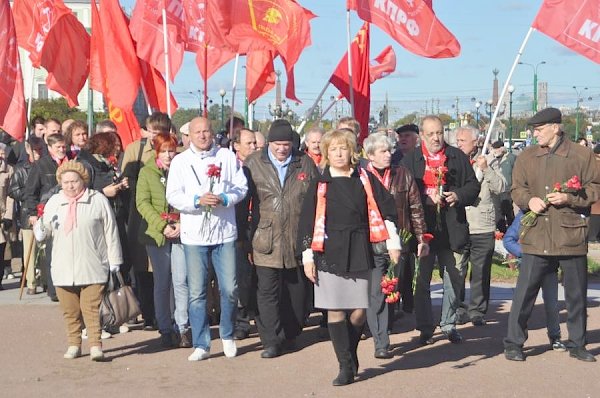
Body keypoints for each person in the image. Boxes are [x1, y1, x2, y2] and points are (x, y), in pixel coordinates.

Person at [297, 128, 399, 386]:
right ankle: (344, 365)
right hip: (328, 250)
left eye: (343, 148)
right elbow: (307, 221)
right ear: (327, 153)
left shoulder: (364, 178)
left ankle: (351, 354)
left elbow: (386, 209)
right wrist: (308, 256)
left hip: (360, 248)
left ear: (352, 151)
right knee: (335, 310)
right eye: (333, 149)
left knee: (358, 312)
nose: (339, 153)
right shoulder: (320, 183)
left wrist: (393, 241)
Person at [504, 107, 600, 362]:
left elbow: (595, 188)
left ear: (555, 128)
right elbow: (516, 189)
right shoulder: (526, 156)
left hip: (570, 234)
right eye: (534, 129)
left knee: (576, 294)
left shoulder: (581, 155)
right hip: (536, 235)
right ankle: (514, 343)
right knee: (524, 293)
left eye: (539, 129)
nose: (535, 134)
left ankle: (578, 344)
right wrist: (529, 200)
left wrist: (569, 197)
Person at [166, 116, 248, 361]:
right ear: (189, 135)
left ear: (213, 133)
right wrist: (195, 201)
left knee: (230, 288)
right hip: (194, 235)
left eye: (206, 131)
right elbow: (173, 195)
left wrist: (223, 199)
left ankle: (227, 334)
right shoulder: (181, 161)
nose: (202, 136)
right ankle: (201, 343)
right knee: (197, 292)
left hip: (224, 233)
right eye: (197, 132)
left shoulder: (226, 156)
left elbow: (241, 187)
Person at [400, 115, 480, 345]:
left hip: (452, 227)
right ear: (422, 136)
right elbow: (404, 192)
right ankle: (425, 326)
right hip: (423, 230)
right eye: (431, 134)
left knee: (454, 279)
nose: (436, 138)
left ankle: (448, 323)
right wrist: (424, 196)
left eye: (439, 132)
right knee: (422, 280)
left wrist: (458, 195)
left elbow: (473, 185)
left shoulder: (457, 156)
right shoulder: (411, 160)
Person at [244, 120, 319, 359]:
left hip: (297, 237)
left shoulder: (304, 162)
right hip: (265, 237)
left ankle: (291, 333)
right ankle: (271, 341)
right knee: (267, 292)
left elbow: (317, 199)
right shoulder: (254, 163)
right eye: (277, 144)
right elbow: (242, 202)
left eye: (286, 144)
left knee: (297, 293)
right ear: (269, 143)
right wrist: (244, 240)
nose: (281, 149)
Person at [33, 161, 122, 361]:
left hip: (92, 264)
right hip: (63, 267)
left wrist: (115, 259)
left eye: (74, 181)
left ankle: (95, 345)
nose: (70, 186)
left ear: (83, 181)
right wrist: (39, 230)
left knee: (90, 308)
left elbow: (111, 230)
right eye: (66, 182)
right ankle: (74, 344)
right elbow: (45, 228)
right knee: (70, 310)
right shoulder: (54, 202)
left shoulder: (97, 200)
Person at [362, 132, 427, 358]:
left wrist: (421, 238)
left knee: (391, 287)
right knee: (377, 292)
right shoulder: (361, 176)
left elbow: (416, 207)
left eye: (389, 150)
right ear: (370, 155)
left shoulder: (402, 174)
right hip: (369, 242)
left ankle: (384, 326)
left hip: (397, 241)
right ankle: (381, 340)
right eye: (383, 151)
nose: (389, 154)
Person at [137, 133, 189, 348]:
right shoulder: (147, 172)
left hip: (180, 232)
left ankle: (183, 326)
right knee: (162, 282)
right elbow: (142, 203)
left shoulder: (183, 169)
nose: (168, 155)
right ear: (156, 152)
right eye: (164, 151)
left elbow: (188, 199)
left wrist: (181, 224)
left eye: (171, 150)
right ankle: (165, 327)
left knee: (181, 280)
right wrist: (162, 225)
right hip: (156, 234)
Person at [122, 112, 172, 330]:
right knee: (143, 266)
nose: (156, 135)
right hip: (141, 214)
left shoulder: (175, 151)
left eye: (161, 132)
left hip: (169, 218)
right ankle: (149, 314)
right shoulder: (136, 149)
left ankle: (168, 317)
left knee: (168, 274)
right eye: (152, 131)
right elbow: (126, 178)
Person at [455, 127, 505, 326]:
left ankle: (477, 310)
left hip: (481, 224)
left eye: (462, 140)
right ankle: (458, 307)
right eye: (457, 140)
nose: (459, 144)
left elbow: (501, 187)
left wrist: (485, 168)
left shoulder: (490, 160)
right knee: (456, 269)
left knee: (480, 270)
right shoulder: (454, 161)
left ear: (475, 142)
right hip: (459, 223)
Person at [503, 211, 566, 352]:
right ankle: (516, 341)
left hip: (550, 268)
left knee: (552, 305)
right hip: (530, 268)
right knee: (523, 305)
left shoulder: (557, 213)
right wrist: (524, 254)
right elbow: (508, 239)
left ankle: (555, 337)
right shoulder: (525, 214)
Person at [23, 133, 68, 301]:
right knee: (51, 252)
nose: (62, 150)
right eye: (58, 147)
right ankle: (53, 289)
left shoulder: (71, 162)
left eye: (64, 147)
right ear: (50, 148)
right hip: (49, 213)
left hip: (68, 212)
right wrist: (32, 213)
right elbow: (31, 191)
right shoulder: (41, 165)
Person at [8, 137, 44, 294]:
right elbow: (12, 190)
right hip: (28, 212)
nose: (38, 153)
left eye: (40, 150)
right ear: (28, 150)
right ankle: (31, 282)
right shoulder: (21, 169)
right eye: (35, 150)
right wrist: (29, 194)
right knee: (30, 248)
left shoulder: (46, 166)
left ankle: (44, 278)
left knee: (43, 250)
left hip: (46, 212)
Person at [231, 128, 257, 340]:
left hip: (258, 227)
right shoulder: (230, 168)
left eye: (255, 143)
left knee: (257, 276)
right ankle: (241, 321)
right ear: (236, 146)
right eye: (249, 143)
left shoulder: (261, 166)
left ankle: (258, 314)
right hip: (237, 229)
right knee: (240, 277)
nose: (254, 147)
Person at [489, 140, 516, 233]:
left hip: (507, 189)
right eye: (494, 149)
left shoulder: (511, 158)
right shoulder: (491, 159)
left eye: (497, 148)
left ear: (502, 148)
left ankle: (512, 230)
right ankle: (502, 231)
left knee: (508, 210)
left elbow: (515, 172)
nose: (496, 151)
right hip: (495, 189)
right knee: (497, 211)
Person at [0, 143, 14, 286]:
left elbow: (10, 196)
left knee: (2, 247)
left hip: (2, 215)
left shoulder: (8, 170)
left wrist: (8, 215)